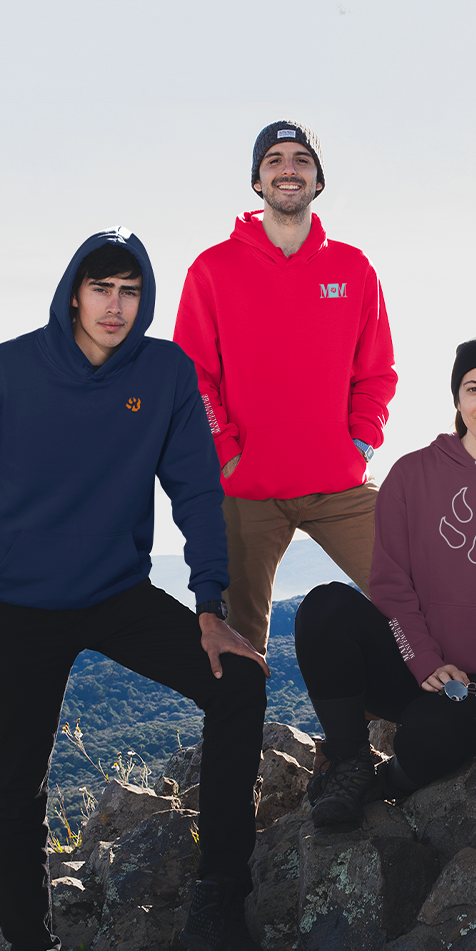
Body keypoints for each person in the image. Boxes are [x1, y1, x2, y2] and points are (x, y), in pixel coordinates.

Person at [0, 229, 271, 951]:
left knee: (237, 682)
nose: (116, 305)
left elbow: (196, 490)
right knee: (20, 786)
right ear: (74, 293)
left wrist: (209, 605)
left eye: (130, 291)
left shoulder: (166, 373)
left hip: (115, 593)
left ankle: (218, 903)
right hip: (12, 605)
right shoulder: (4, 371)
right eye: (102, 288)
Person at [293, 328, 476, 826]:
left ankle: (387, 784)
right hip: (410, 661)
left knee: (434, 732)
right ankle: (349, 762)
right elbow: (390, 585)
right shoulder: (410, 475)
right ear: (457, 399)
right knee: (324, 608)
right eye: (474, 388)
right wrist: (424, 660)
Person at [173, 120, 397, 655]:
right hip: (247, 488)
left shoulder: (354, 268)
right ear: (258, 181)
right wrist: (225, 450)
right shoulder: (212, 269)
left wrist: (361, 442)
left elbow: (376, 371)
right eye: (274, 160)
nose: (288, 169)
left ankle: (442, 701)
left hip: (339, 484)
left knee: (417, 596)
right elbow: (193, 375)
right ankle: (241, 715)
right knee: (239, 644)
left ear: (319, 180)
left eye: (302, 159)